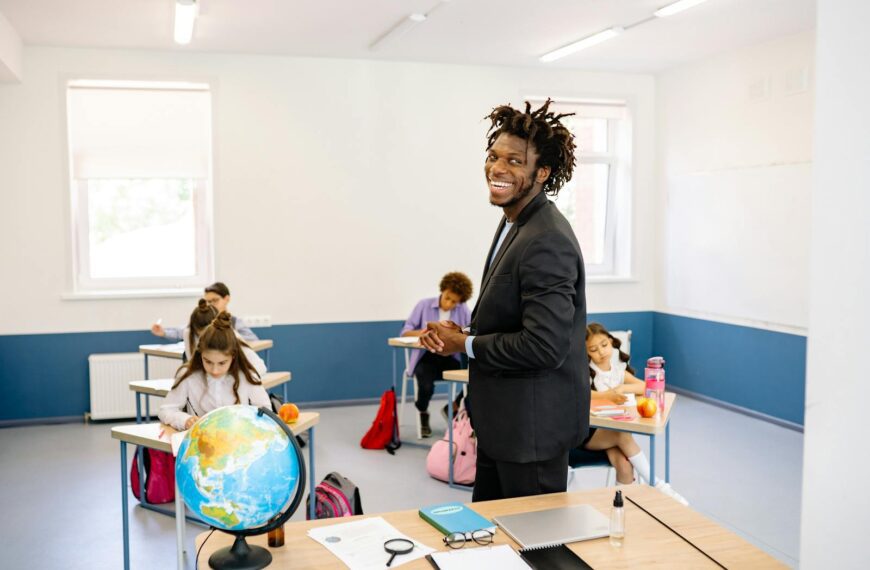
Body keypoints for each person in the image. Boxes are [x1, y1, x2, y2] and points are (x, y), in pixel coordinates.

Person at [420, 100, 588, 501]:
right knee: (493, 540)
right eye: (494, 156)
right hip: (501, 425)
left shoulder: (547, 238)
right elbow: (513, 316)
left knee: (536, 552)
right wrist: (461, 333)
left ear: (541, 172)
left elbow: (544, 346)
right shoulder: (515, 219)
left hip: (531, 432)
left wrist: (467, 345)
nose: (498, 168)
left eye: (515, 161)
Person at [577, 323, 688, 505]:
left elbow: (645, 386)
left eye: (604, 345)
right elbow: (583, 395)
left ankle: (621, 511)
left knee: (624, 465)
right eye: (594, 349)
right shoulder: (586, 373)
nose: (601, 352)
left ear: (611, 342)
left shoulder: (618, 371)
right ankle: (657, 485)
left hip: (609, 433)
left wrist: (621, 387)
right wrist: (608, 396)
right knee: (621, 433)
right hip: (587, 435)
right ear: (587, 353)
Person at [158, 311, 270, 431]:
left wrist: (246, 421)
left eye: (222, 363)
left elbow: (266, 412)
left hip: (239, 440)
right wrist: (185, 420)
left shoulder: (247, 375)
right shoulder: (189, 375)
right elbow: (166, 410)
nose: (215, 370)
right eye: (208, 362)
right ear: (200, 355)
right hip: (204, 442)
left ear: (233, 357)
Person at [400, 272, 473, 437]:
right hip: (426, 358)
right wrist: (426, 333)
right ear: (443, 290)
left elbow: (470, 332)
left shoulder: (463, 310)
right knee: (425, 387)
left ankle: (453, 407)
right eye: (447, 297)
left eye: (454, 302)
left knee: (473, 378)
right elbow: (405, 333)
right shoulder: (423, 305)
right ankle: (423, 412)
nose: (449, 304)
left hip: (450, 357)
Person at [182, 299, 267, 377]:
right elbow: (193, 365)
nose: (205, 339)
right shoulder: (188, 333)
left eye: (209, 335)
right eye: (200, 335)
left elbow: (260, 367)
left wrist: (239, 380)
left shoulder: (232, 336)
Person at [150, 282, 258, 342]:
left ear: (226, 299)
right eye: (208, 301)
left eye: (215, 300)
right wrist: (163, 333)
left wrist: (226, 337)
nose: (211, 305)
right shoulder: (201, 320)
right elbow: (182, 332)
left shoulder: (234, 322)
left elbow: (253, 340)